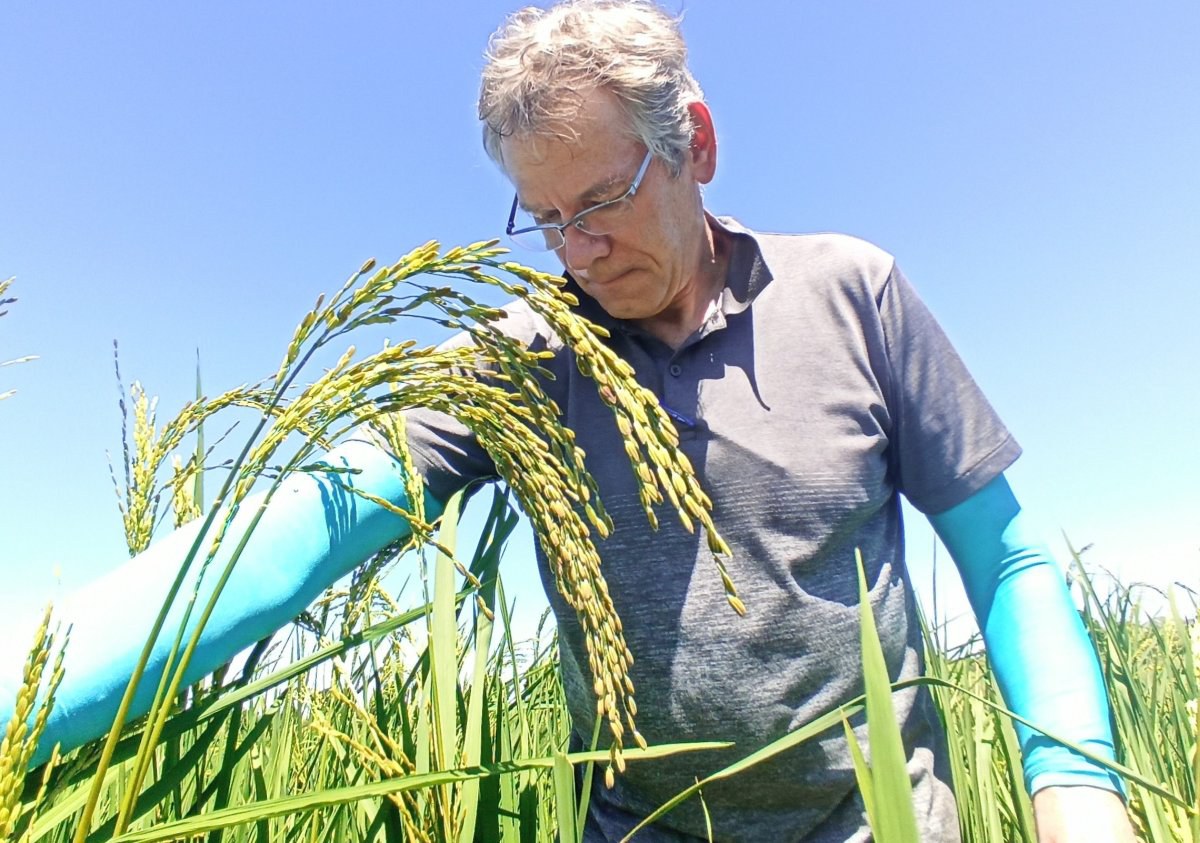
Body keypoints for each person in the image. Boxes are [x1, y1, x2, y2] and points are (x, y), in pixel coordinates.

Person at [0, 1, 1136, 840]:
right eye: (542, 218)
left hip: (875, 823)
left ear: (694, 141)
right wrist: (26, 699)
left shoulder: (854, 291)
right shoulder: (529, 354)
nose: (575, 251)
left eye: (599, 201)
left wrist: (1079, 787)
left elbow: (1010, 556)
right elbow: (309, 522)